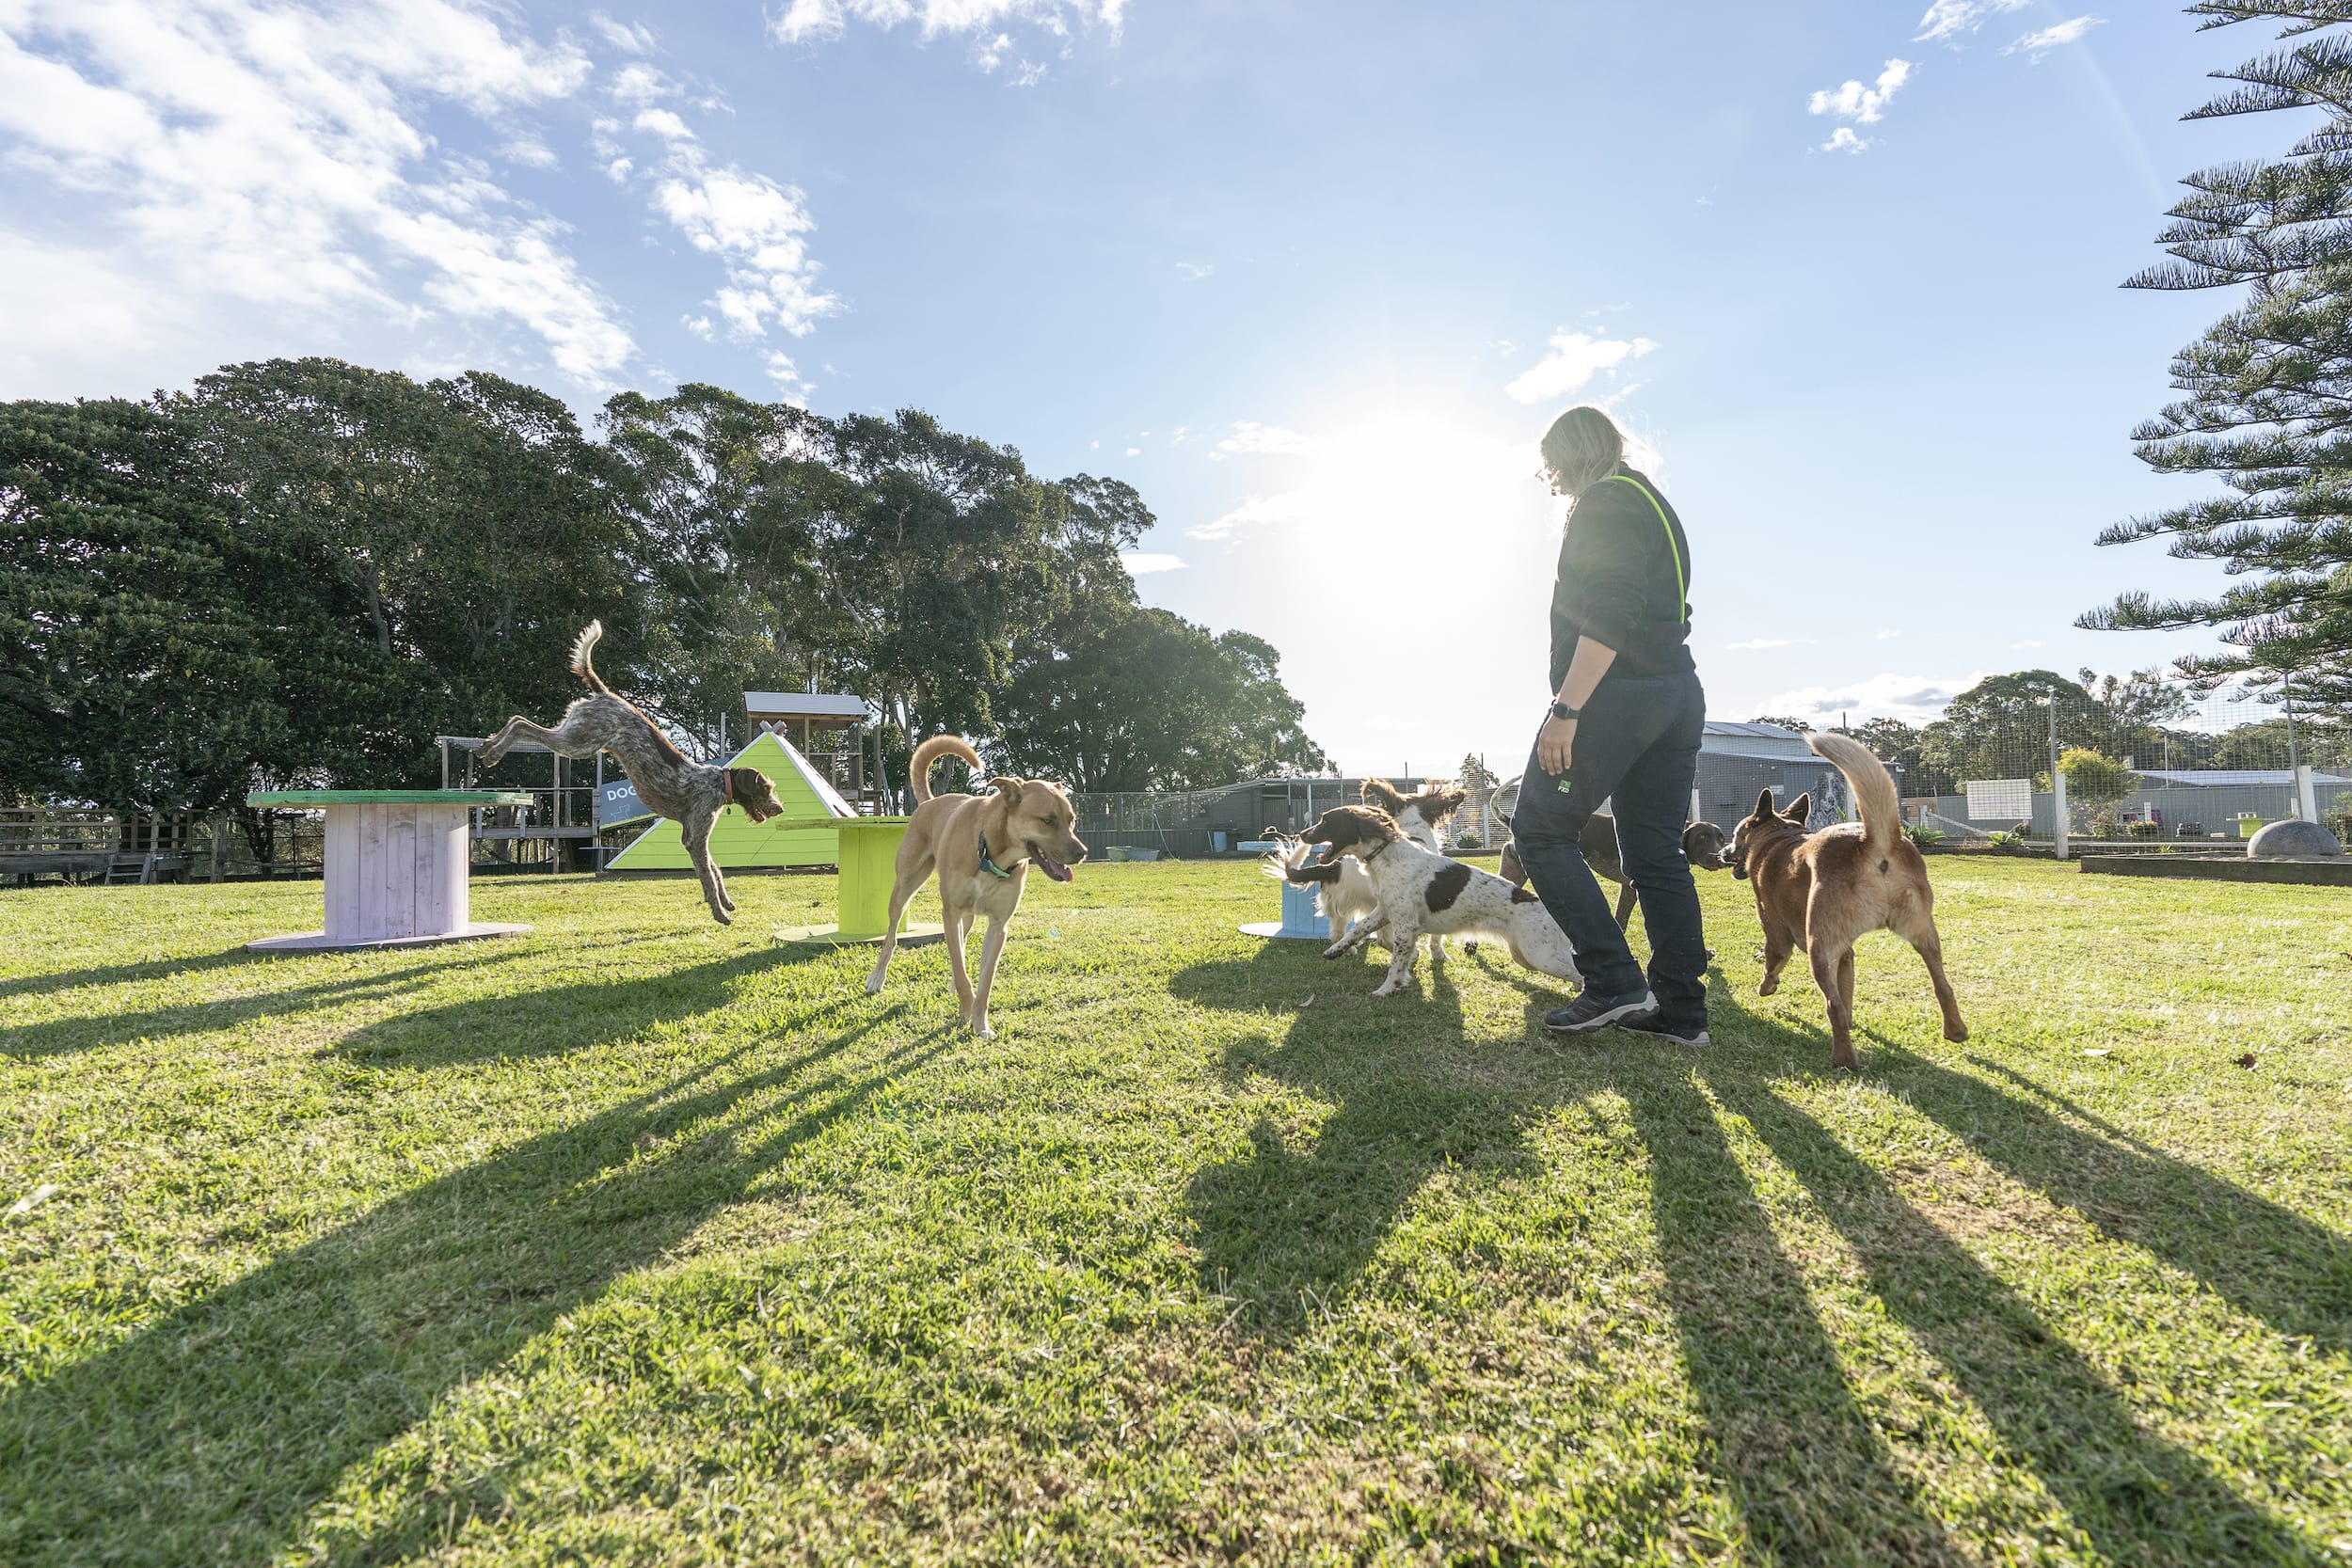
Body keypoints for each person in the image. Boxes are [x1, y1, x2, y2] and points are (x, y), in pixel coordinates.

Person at [1509, 404, 1712, 1046]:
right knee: (1654, 854)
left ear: (1575, 456)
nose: (1552, 480)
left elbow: (1613, 609)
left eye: (1554, 466)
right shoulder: (1650, 500)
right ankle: (1681, 1011)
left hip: (1620, 694)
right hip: (1676, 691)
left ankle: (1612, 978)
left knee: (1538, 828)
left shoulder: (1607, 504)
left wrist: (1566, 708)